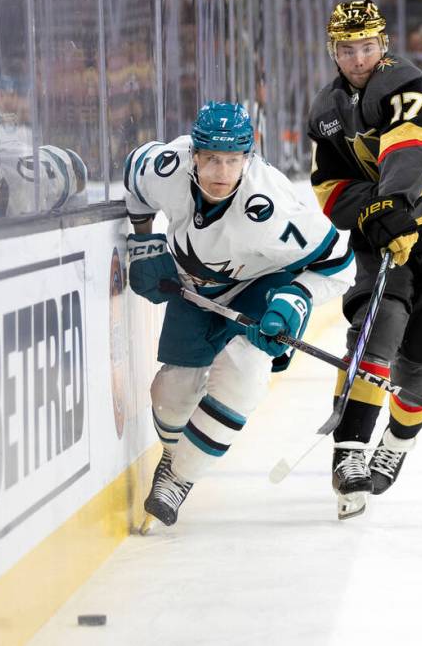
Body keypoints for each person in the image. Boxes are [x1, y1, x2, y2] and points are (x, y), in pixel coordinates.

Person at [124, 101, 355, 531]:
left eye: (232, 161)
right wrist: (144, 244)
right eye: (211, 158)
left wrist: (295, 301)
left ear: (248, 158)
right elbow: (132, 180)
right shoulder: (166, 167)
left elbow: (340, 266)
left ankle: (178, 477)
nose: (220, 171)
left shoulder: (272, 206)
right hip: (193, 288)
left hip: (259, 286)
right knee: (171, 395)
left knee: (244, 375)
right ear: (193, 154)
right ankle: (176, 456)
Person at [307, 0, 422, 519]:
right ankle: (349, 453)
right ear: (333, 51)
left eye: (366, 46)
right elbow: (331, 187)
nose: (357, 58)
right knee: (375, 330)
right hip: (384, 233)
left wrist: (394, 200)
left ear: (382, 45)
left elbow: (412, 144)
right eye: (346, 48)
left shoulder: (403, 80)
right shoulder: (326, 111)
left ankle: (396, 446)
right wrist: (378, 215)